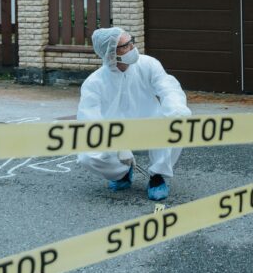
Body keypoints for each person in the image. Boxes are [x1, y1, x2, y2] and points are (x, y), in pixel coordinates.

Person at [77, 27, 191, 201]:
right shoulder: (94, 83)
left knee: (179, 122)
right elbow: (90, 121)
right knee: (87, 156)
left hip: (150, 125)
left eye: (131, 42)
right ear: (110, 53)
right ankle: (121, 173)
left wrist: (177, 112)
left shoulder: (148, 64)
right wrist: (115, 146)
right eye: (125, 46)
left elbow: (168, 88)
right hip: (115, 132)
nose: (132, 48)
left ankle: (157, 176)